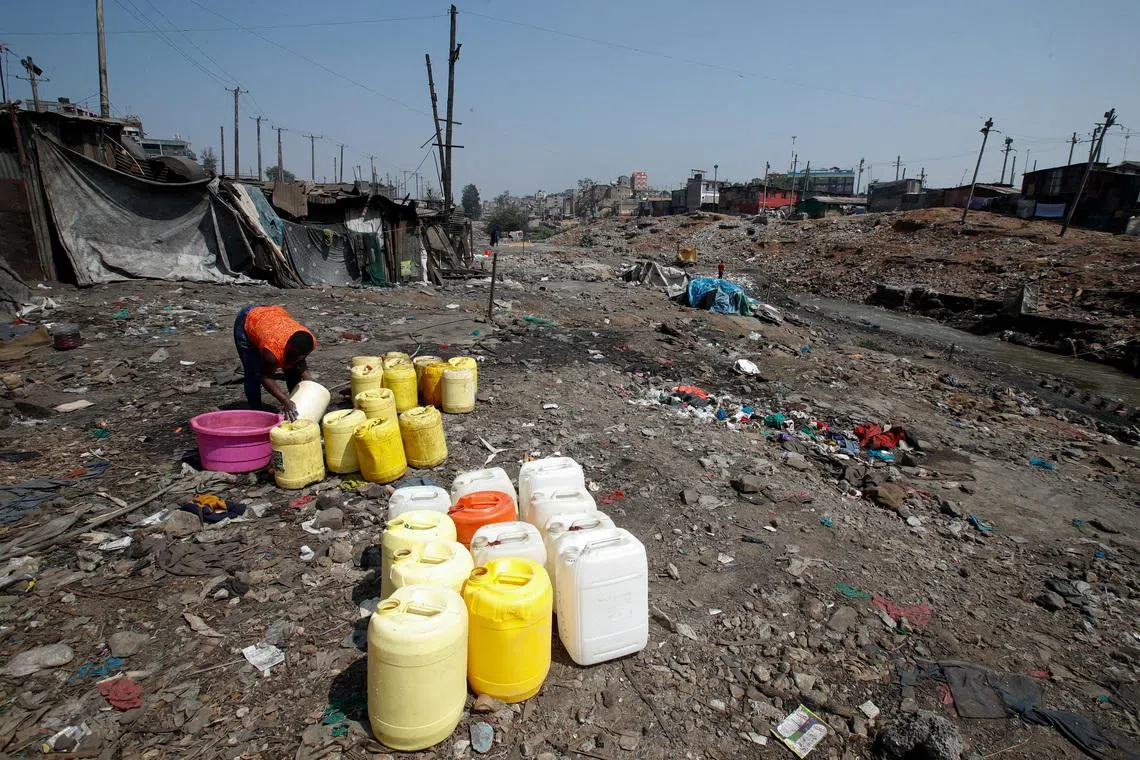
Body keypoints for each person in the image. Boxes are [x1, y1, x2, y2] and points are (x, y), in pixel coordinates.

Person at [233, 305, 316, 420]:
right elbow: (266, 377)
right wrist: (285, 401)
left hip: (272, 315)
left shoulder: (309, 341)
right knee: (253, 373)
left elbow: (300, 363)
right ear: (288, 348)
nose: (295, 359)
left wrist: (311, 386)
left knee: (292, 370)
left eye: (298, 357)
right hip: (248, 320)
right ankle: (256, 413)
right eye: (293, 356)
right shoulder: (273, 351)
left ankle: (297, 407)